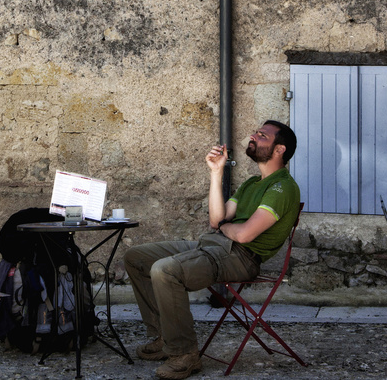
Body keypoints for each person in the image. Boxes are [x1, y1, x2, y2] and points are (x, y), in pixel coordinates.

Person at [123, 120, 301, 380]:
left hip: (241, 257)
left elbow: (244, 234)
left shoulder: (282, 187)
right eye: (256, 132)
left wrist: (225, 227)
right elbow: (217, 219)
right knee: (136, 257)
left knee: (165, 270)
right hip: (214, 245)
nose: (253, 136)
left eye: (262, 136)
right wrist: (216, 173)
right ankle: (164, 338)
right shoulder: (252, 183)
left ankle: (185, 355)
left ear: (279, 150)